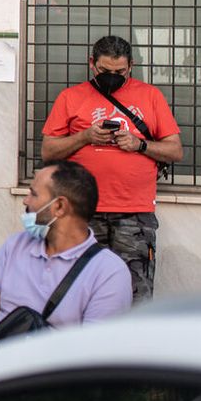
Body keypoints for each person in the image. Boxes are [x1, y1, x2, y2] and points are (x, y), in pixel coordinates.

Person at [42, 35, 182, 302]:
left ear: (130, 66)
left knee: (134, 294)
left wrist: (139, 145)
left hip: (134, 215)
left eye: (120, 72)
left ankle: (130, 344)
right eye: (106, 71)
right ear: (92, 64)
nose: (113, 77)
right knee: (79, 292)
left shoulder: (150, 96)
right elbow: (48, 151)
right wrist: (85, 137)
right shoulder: (70, 97)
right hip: (82, 212)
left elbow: (175, 150)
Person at [0, 160, 133, 352]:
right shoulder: (15, 245)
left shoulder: (109, 272)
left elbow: (92, 358)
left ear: (59, 206)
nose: (25, 201)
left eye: (33, 194)